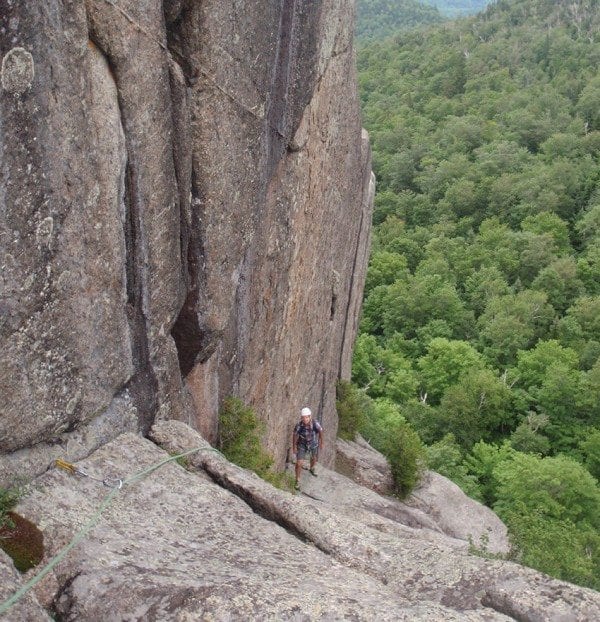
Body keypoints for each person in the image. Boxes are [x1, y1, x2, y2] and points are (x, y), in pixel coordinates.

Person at [292, 407, 323, 490]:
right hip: (302, 444)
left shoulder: (315, 423)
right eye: (303, 417)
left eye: (306, 417)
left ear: (310, 417)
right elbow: (295, 435)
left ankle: (312, 468)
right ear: (301, 418)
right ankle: (297, 480)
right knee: (299, 463)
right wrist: (294, 447)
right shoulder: (299, 426)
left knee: (313, 457)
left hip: (313, 443)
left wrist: (321, 442)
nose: (305, 419)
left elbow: (320, 431)